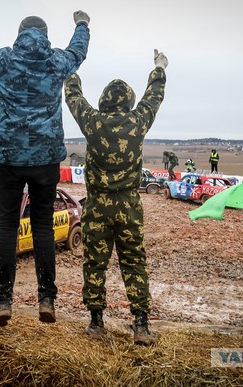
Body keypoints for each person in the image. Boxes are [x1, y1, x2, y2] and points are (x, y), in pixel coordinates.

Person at [0, 9, 90, 327]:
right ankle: (47, 299)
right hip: (46, 158)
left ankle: (3, 302)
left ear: (19, 34)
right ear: (45, 35)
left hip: (9, 159)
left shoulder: (4, 60)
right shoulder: (56, 61)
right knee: (43, 228)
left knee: (6, 228)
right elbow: (78, 52)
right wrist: (82, 25)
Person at [64, 48, 168, 345]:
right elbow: (154, 96)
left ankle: (96, 322)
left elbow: (73, 96)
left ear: (104, 100)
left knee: (94, 262)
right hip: (129, 205)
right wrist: (159, 68)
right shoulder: (138, 121)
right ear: (129, 101)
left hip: (97, 205)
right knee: (134, 262)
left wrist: (71, 68)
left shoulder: (93, 122)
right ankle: (141, 325)